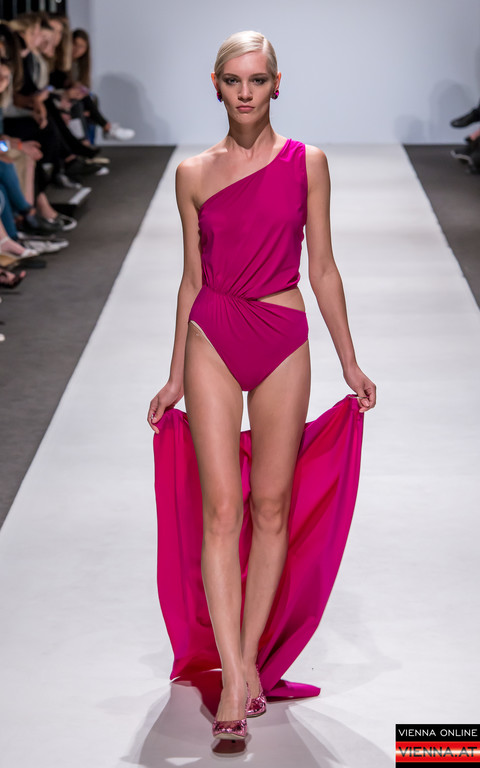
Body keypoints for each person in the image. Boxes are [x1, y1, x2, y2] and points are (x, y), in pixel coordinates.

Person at [148, 30, 376, 743]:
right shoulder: (191, 173)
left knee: (271, 507)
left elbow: (324, 267)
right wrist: (174, 375)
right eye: (233, 80)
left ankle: (246, 657)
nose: (245, 92)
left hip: (282, 334)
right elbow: (190, 278)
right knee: (224, 509)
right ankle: (232, 680)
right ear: (215, 86)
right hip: (213, 333)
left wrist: (349, 360)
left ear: (278, 84)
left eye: (256, 79)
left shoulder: (309, 164)